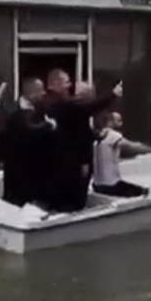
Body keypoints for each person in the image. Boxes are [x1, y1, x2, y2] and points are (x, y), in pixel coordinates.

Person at [43, 70, 122, 212]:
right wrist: (113, 94)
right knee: (75, 197)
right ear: (55, 84)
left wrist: (95, 135)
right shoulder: (62, 104)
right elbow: (87, 109)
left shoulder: (54, 104)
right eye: (66, 82)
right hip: (74, 159)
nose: (69, 85)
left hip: (63, 159)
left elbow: (75, 126)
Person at [0, 77, 56, 207]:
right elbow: (29, 131)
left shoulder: (39, 109)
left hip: (36, 174)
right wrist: (49, 126)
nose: (44, 93)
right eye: (40, 90)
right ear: (31, 93)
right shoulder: (15, 113)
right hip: (20, 175)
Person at [93, 111, 151, 198]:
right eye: (118, 120)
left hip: (96, 185)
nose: (121, 122)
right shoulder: (113, 135)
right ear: (110, 122)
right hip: (111, 185)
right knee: (144, 191)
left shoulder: (96, 138)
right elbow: (131, 147)